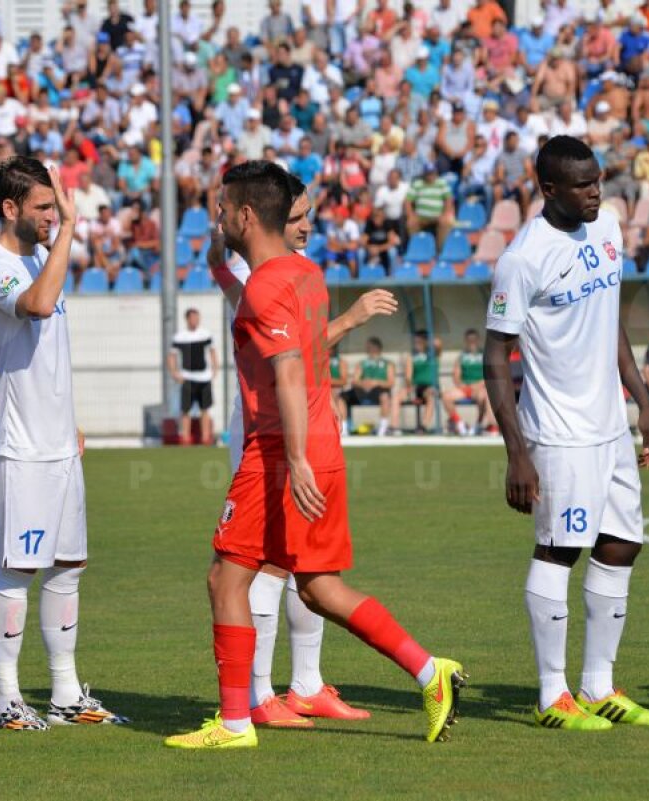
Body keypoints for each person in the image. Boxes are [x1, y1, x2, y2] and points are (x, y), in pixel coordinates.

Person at [167, 161, 464, 749]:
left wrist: (293, 458)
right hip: (321, 444)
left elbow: (288, 367)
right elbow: (277, 332)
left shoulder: (268, 286)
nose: (219, 216)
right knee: (317, 587)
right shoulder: (304, 277)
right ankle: (433, 673)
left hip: (280, 451)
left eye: (225, 208)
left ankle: (233, 724)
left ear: (247, 215)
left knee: (226, 578)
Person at [483, 136, 649, 731]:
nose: (597, 191)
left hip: (610, 426)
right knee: (560, 550)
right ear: (548, 189)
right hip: (558, 432)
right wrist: (517, 453)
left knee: (621, 544)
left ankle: (598, 687)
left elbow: (610, 317)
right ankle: (551, 695)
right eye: (583, 184)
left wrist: (642, 401)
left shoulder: (609, 227)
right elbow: (496, 356)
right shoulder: (523, 258)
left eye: (598, 180)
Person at [207, 172, 396, 728]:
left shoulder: (296, 272)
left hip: (300, 436)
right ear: (263, 218)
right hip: (269, 439)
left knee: (305, 569)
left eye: (309, 214)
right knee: (264, 570)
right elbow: (293, 358)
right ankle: (260, 695)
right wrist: (352, 319)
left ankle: (304, 685)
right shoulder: (258, 275)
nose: (307, 225)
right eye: (296, 217)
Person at [0, 157, 128, 731]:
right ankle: (7, 698)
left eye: (53, 206)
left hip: (59, 442)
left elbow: (52, 351)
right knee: (18, 570)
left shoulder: (40, 256)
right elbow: (35, 308)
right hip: (19, 447)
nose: (51, 216)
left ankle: (64, 692)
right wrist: (67, 230)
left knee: (68, 566)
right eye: (42, 206)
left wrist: (70, 419)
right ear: (10, 209)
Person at [169, 308, 218, 446]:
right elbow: (171, 356)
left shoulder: (205, 334)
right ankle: (185, 438)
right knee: (185, 410)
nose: (195, 320)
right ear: (187, 319)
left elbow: (212, 351)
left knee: (205, 409)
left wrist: (215, 368)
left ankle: (206, 438)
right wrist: (174, 372)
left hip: (204, 378)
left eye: (197, 318)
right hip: (187, 378)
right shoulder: (180, 336)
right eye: (193, 318)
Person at [442, 329, 493, 436]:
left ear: (478, 340)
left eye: (474, 340)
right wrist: (461, 385)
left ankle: (478, 425)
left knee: (483, 396)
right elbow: (456, 375)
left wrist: (479, 384)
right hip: (466, 388)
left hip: (480, 387)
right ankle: (460, 424)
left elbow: (490, 374)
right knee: (446, 396)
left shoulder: (485, 355)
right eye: (469, 340)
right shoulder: (462, 357)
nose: (472, 342)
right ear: (466, 341)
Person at [345, 337, 398, 437]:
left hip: (378, 392)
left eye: (369, 347)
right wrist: (363, 383)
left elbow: (391, 382)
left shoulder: (388, 364)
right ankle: (344, 428)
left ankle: (383, 428)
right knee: (342, 397)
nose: (368, 349)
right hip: (362, 392)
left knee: (385, 397)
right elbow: (355, 380)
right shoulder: (362, 363)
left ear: (376, 348)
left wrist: (376, 382)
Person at [398, 330, 440, 433]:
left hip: (429, 386)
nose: (417, 344)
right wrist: (409, 389)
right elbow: (408, 376)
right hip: (416, 387)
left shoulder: (433, 354)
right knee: (397, 397)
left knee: (431, 396)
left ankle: (423, 426)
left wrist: (427, 341)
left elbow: (438, 343)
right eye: (415, 342)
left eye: (419, 341)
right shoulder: (412, 356)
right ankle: (393, 427)